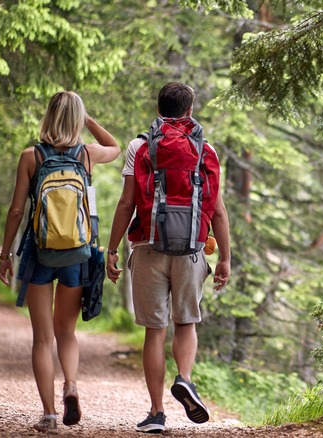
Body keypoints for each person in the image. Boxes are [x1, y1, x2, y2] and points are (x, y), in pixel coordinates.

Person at [106, 82, 231, 433]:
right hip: (192, 247)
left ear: (158, 108)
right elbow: (218, 210)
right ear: (190, 111)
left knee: (153, 330)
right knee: (186, 322)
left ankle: (157, 413)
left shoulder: (139, 146)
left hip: (147, 247)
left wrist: (112, 249)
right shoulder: (206, 149)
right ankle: (186, 379)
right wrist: (224, 259)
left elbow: (126, 202)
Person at [0, 91, 121, 432]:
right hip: (77, 254)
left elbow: (17, 211)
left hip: (40, 253)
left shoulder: (31, 156)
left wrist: (5, 255)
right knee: (66, 331)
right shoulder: (87, 154)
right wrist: (88, 121)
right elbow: (116, 146)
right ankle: (71, 385)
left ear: (48, 116)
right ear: (77, 119)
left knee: (42, 338)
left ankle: (49, 415)